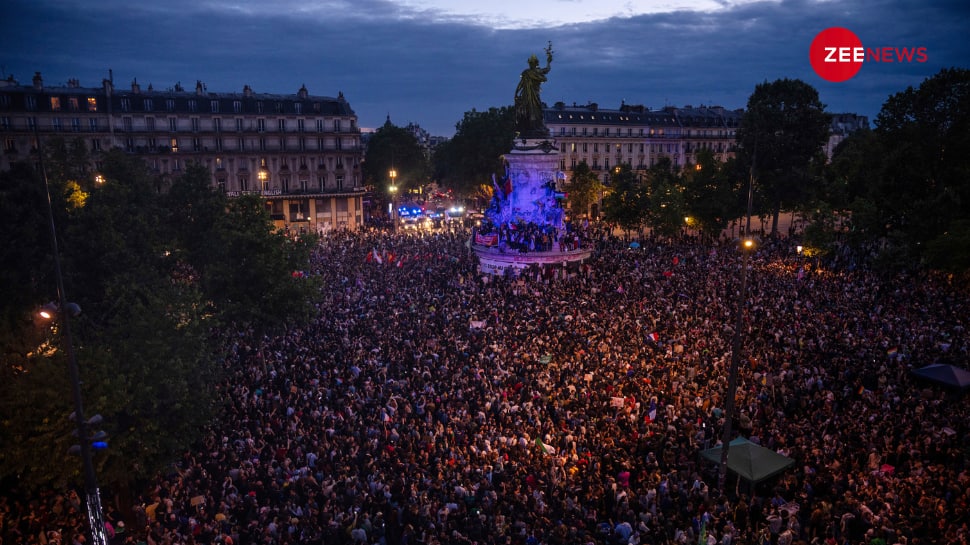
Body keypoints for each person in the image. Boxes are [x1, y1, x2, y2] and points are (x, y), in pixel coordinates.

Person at [514, 42, 553, 137]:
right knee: (529, 111)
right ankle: (529, 127)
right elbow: (521, 84)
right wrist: (516, 94)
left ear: (535, 63)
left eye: (533, 63)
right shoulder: (527, 72)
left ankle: (535, 127)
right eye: (531, 63)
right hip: (527, 95)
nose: (532, 64)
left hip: (533, 95)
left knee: (536, 110)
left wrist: (549, 61)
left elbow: (547, 69)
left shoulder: (532, 72)